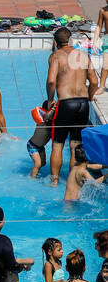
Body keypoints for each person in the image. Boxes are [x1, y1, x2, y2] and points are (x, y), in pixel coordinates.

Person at [47, 27, 97, 185]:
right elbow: (94, 81)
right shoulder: (83, 55)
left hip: (66, 103)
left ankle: (54, 181)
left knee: (57, 143)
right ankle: (72, 180)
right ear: (70, 40)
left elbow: (51, 81)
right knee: (75, 143)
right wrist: (89, 96)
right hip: (83, 103)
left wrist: (50, 99)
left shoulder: (56, 56)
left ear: (55, 42)